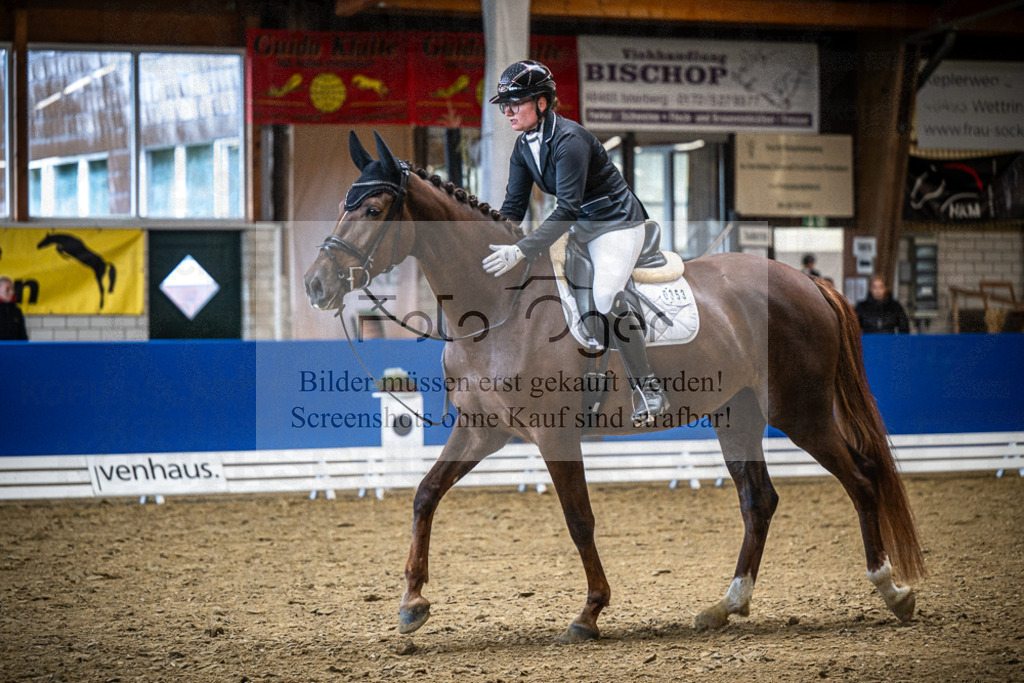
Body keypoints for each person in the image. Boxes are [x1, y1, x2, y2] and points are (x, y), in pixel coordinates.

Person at [481, 59, 666, 424]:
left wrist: (520, 249)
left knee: (603, 297)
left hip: (617, 225)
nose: (508, 111)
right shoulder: (523, 147)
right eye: (505, 105)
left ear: (542, 103)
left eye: (515, 103)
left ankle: (648, 389)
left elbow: (566, 208)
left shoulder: (570, 140)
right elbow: (513, 208)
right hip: (583, 229)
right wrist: (488, 239)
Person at [0, 276, 29, 341]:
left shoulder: (17, 311)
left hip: (14, 349)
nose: (11, 292)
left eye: (12, 289)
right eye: (7, 289)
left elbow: (23, 336)